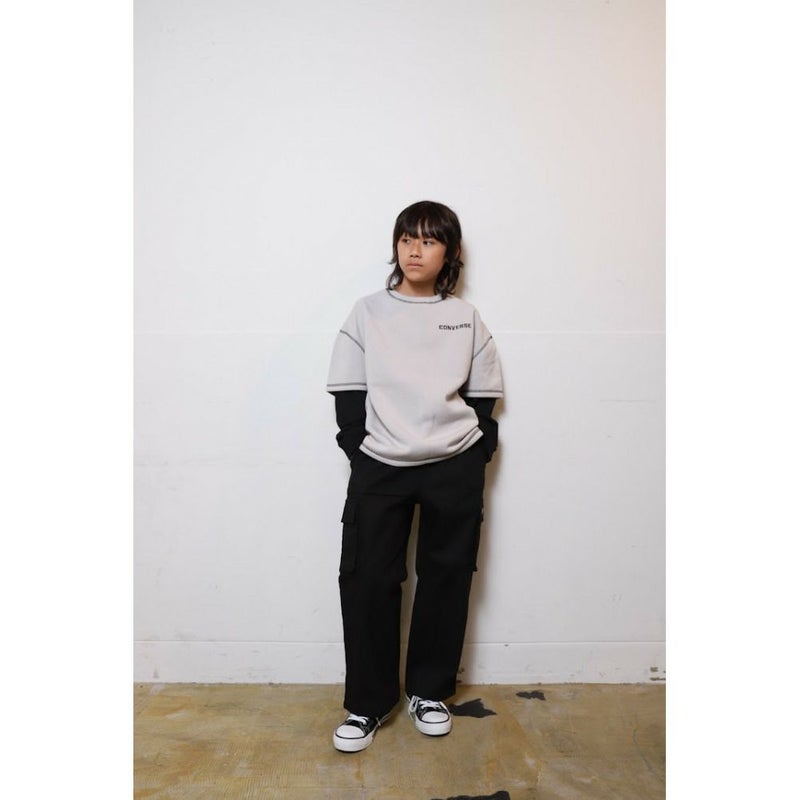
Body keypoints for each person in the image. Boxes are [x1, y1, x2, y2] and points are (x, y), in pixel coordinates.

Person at [326, 200, 504, 752]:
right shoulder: (367, 313)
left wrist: (476, 451)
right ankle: (368, 704)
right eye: (407, 238)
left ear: (449, 252)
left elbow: (485, 393)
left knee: (447, 576)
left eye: (428, 240)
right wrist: (359, 449)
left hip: (454, 463)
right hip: (381, 464)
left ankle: (428, 692)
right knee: (368, 579)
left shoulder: (464, 317)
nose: (414, 250)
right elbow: (348, 388)